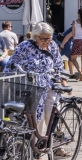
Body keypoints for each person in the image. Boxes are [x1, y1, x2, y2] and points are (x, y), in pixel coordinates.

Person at [4, 22, 67, 150]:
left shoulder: (53, 46)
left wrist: (62, 79)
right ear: (35, 36)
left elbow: (58, 64)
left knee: (53, 116)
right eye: (43, 39)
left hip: (50, 84)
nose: (46, 41)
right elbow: (11, 64)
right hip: (32, 87)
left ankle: (55, 147)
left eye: (48, 38)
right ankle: (36, 149)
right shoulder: (25, 46)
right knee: (37, 116)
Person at [60, 8, 82, 81]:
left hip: (77, 41)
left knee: (73, 59)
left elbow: (73, 34)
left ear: (78, 14)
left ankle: (80, 72)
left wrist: (76, 39)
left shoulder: (74, 22)